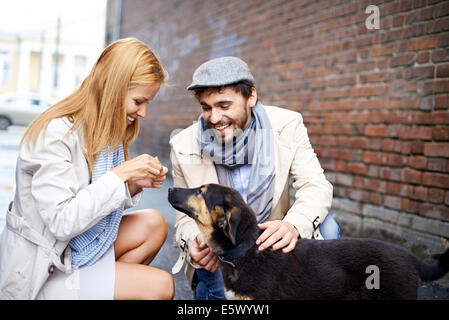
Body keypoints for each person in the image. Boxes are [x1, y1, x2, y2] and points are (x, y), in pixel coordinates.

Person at [0, 37, 174, 300]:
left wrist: (132, 184)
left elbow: (96, 201)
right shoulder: (55, 133)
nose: (143, 113)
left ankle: (103, 289)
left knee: (155, 224)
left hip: (75, 250)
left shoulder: (105, 133)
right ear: (114, 87)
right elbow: (62, 221)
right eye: (139, 101)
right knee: (160, 286)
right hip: (46, 268)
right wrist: (121, 175)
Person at [170, 56, 340, 300]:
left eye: (224, 106)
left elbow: (315, 185)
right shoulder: (183, 145)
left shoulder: (287, 125)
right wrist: (194, 240)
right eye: (206, 107)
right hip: (222, 251)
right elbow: (184, 220)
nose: (214, 118)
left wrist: (293, 225)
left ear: (251, 97)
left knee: (328, 227)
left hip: (271, 245)